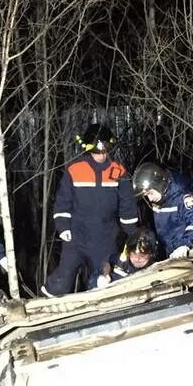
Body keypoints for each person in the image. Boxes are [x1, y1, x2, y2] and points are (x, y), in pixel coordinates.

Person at [41, 124, 139, 296]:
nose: (102, 155)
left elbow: (127, 205)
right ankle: (43, 307)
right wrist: (63, 226)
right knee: (62, 280)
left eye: (105, 150)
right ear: (88, 148)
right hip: (77, 237)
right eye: (97, 151)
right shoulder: (75, 170)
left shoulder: (118, 171)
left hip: (106, 238)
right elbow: (63, 201)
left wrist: (132, 234)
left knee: (101, 282)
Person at [132, 162, 193, 258]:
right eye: (147, 195)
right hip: (171, 252)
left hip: (189, 251)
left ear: (159, 185)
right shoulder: (160, 198)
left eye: (150, 193)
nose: (150, 199)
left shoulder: (182, 196)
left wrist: (185, 244)